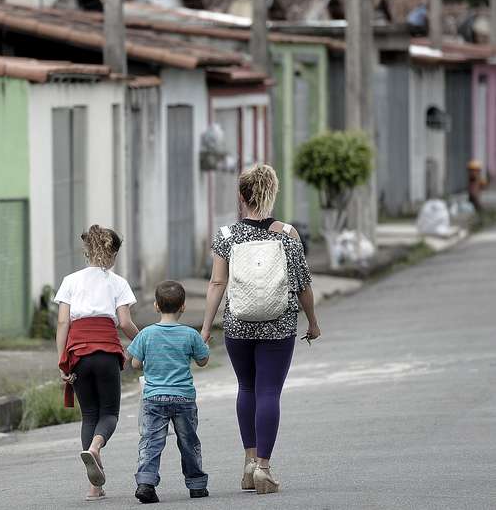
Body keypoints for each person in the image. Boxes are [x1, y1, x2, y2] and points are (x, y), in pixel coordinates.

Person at [201, 164, 320, 495]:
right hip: (278, 324)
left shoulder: (226, 235)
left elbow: (217, 282)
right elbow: (302, 285)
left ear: (241, 196)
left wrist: (206, 327)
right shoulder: (288, 234)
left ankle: (249, 463)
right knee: (269, 391)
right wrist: (312, 320)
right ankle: (264, 469)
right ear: (273, 193)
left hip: (238, 324)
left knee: (247, 388)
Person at [55, 224, 140, 502]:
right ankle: (96, 447)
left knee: (89, 415)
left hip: (78, 353)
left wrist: (63, 363)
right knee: (109, 414)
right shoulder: (117, 283)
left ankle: (94, 487)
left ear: (86, 250)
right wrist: (142, 342)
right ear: (113, 254)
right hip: (106, 353)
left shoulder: (70, 280)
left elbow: (63, 322)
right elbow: (125, 323)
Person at [128, 280, 210, 504]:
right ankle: (196, 485)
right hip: (183, 397)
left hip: (153, 398)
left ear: (155, 306)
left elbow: (135, 364)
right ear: (183, 307)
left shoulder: (146, 334)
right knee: (188, 441)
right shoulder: (189, 334)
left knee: (151, 441)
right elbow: (203, 361)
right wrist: (203, 344)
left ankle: (146, 483)